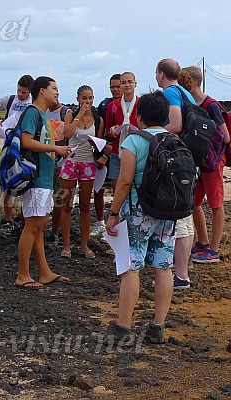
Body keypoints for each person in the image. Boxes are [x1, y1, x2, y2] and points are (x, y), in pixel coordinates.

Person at [105, 91, 176, 344]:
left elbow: (124, 182)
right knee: (163, 267)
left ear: (140, 116)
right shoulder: (176, 141)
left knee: (130, 268)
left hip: (138, 212)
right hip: (168, 213)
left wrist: (113, 213)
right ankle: (157, 326)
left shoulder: (133, 141)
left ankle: (123, 327)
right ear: (166, 116)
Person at [15, 76, 71, 289]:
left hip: (44, 179)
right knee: (32, 226)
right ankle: (22, 274)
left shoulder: (43, 116)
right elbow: (26, 141)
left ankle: (44, 272)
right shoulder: (32, 113)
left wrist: (57, 148)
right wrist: (56, 148)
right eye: (54, 88)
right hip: (35, 178)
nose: (57, 92)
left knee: (39, 226)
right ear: (41, 91)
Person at [179, 66, 229, 268]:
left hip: (212, 162)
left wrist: (211, 153)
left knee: (216, 204)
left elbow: (225, 135)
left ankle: (213, 250)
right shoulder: (193, 104)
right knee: (193, 201)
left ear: (189, 82)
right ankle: (203, 242)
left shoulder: (210, 105)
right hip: (199, 162)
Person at [156, 58, 196, 290]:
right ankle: (183, 273)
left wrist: (151, 131)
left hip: (178, 160)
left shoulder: (171, 92)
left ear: (161, 74)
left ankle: (180, 275)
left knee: (178, 219)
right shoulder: (184, 92)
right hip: (189, 161)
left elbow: (177, 125)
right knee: (186, 219)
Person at [59, 85, 104, 259]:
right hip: (71, 161)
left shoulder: (98, 119)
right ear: (78, 99)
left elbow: (99, 142)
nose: (88, 101)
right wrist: (79, 115)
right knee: (67, 204)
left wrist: (96, 144)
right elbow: (67, 134)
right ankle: (66, 245)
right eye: (84, 98)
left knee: (85, 205)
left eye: (91, 98)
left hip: (87, 163)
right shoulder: (71, 115)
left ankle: (84, 245)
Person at [0, 74, 34, 236]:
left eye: (24, 92)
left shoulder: (34, 103)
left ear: (30, 91)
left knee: (25, 183)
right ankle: (8, 220)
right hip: (9, 146)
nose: (20, 95)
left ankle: (25, 221)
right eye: (19, 91)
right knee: (7, 184)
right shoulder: (10, 100)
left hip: (26, 148)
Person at [92, 74, 122, 238]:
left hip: (121, 153)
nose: (116, 89)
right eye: (113, 87)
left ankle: (118, 225)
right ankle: (100, 223)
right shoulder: (105, 105)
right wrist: (104, 152)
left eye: (118, 86)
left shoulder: (131, 106)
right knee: (99, 189)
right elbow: (101, 130)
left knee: (120, 191)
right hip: (105, 150)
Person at [104, 72, 139, 195]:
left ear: (135, 84)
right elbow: (107, 135)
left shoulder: (142, 104)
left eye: (130, 82)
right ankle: (117, 214)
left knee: (137, 191)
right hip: (117, 153)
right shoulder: (112, 106)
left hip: (137, 153)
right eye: (123, 82)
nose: (127, 85)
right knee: (118, 192)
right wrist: (112, 131)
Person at [45, 100, 70, 245]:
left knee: (59, 197)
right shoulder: (40, 111)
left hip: (59, 159)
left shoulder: (65, 112)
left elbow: (67, 135)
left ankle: (54, 232)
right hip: (44, 157)